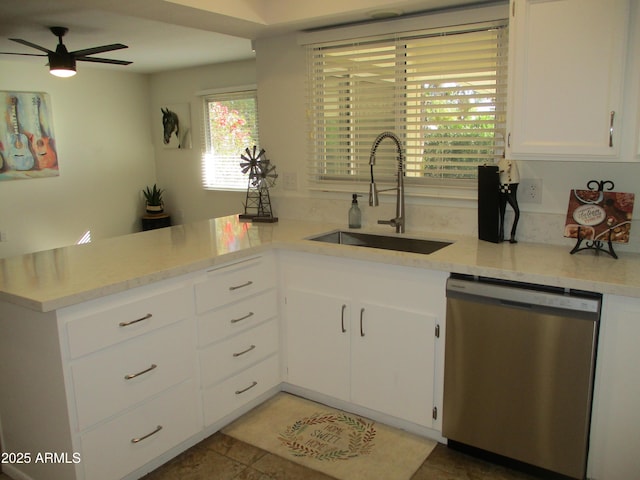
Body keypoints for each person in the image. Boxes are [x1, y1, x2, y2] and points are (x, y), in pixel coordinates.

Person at [498, 155, 520, 243]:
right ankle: (504, 235)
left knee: (505, 212)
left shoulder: (509, 162)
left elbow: (502, 171)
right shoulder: (504, 161)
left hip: (508, 185)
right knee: (514, 212)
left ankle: (505, 235)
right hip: (507, 186)